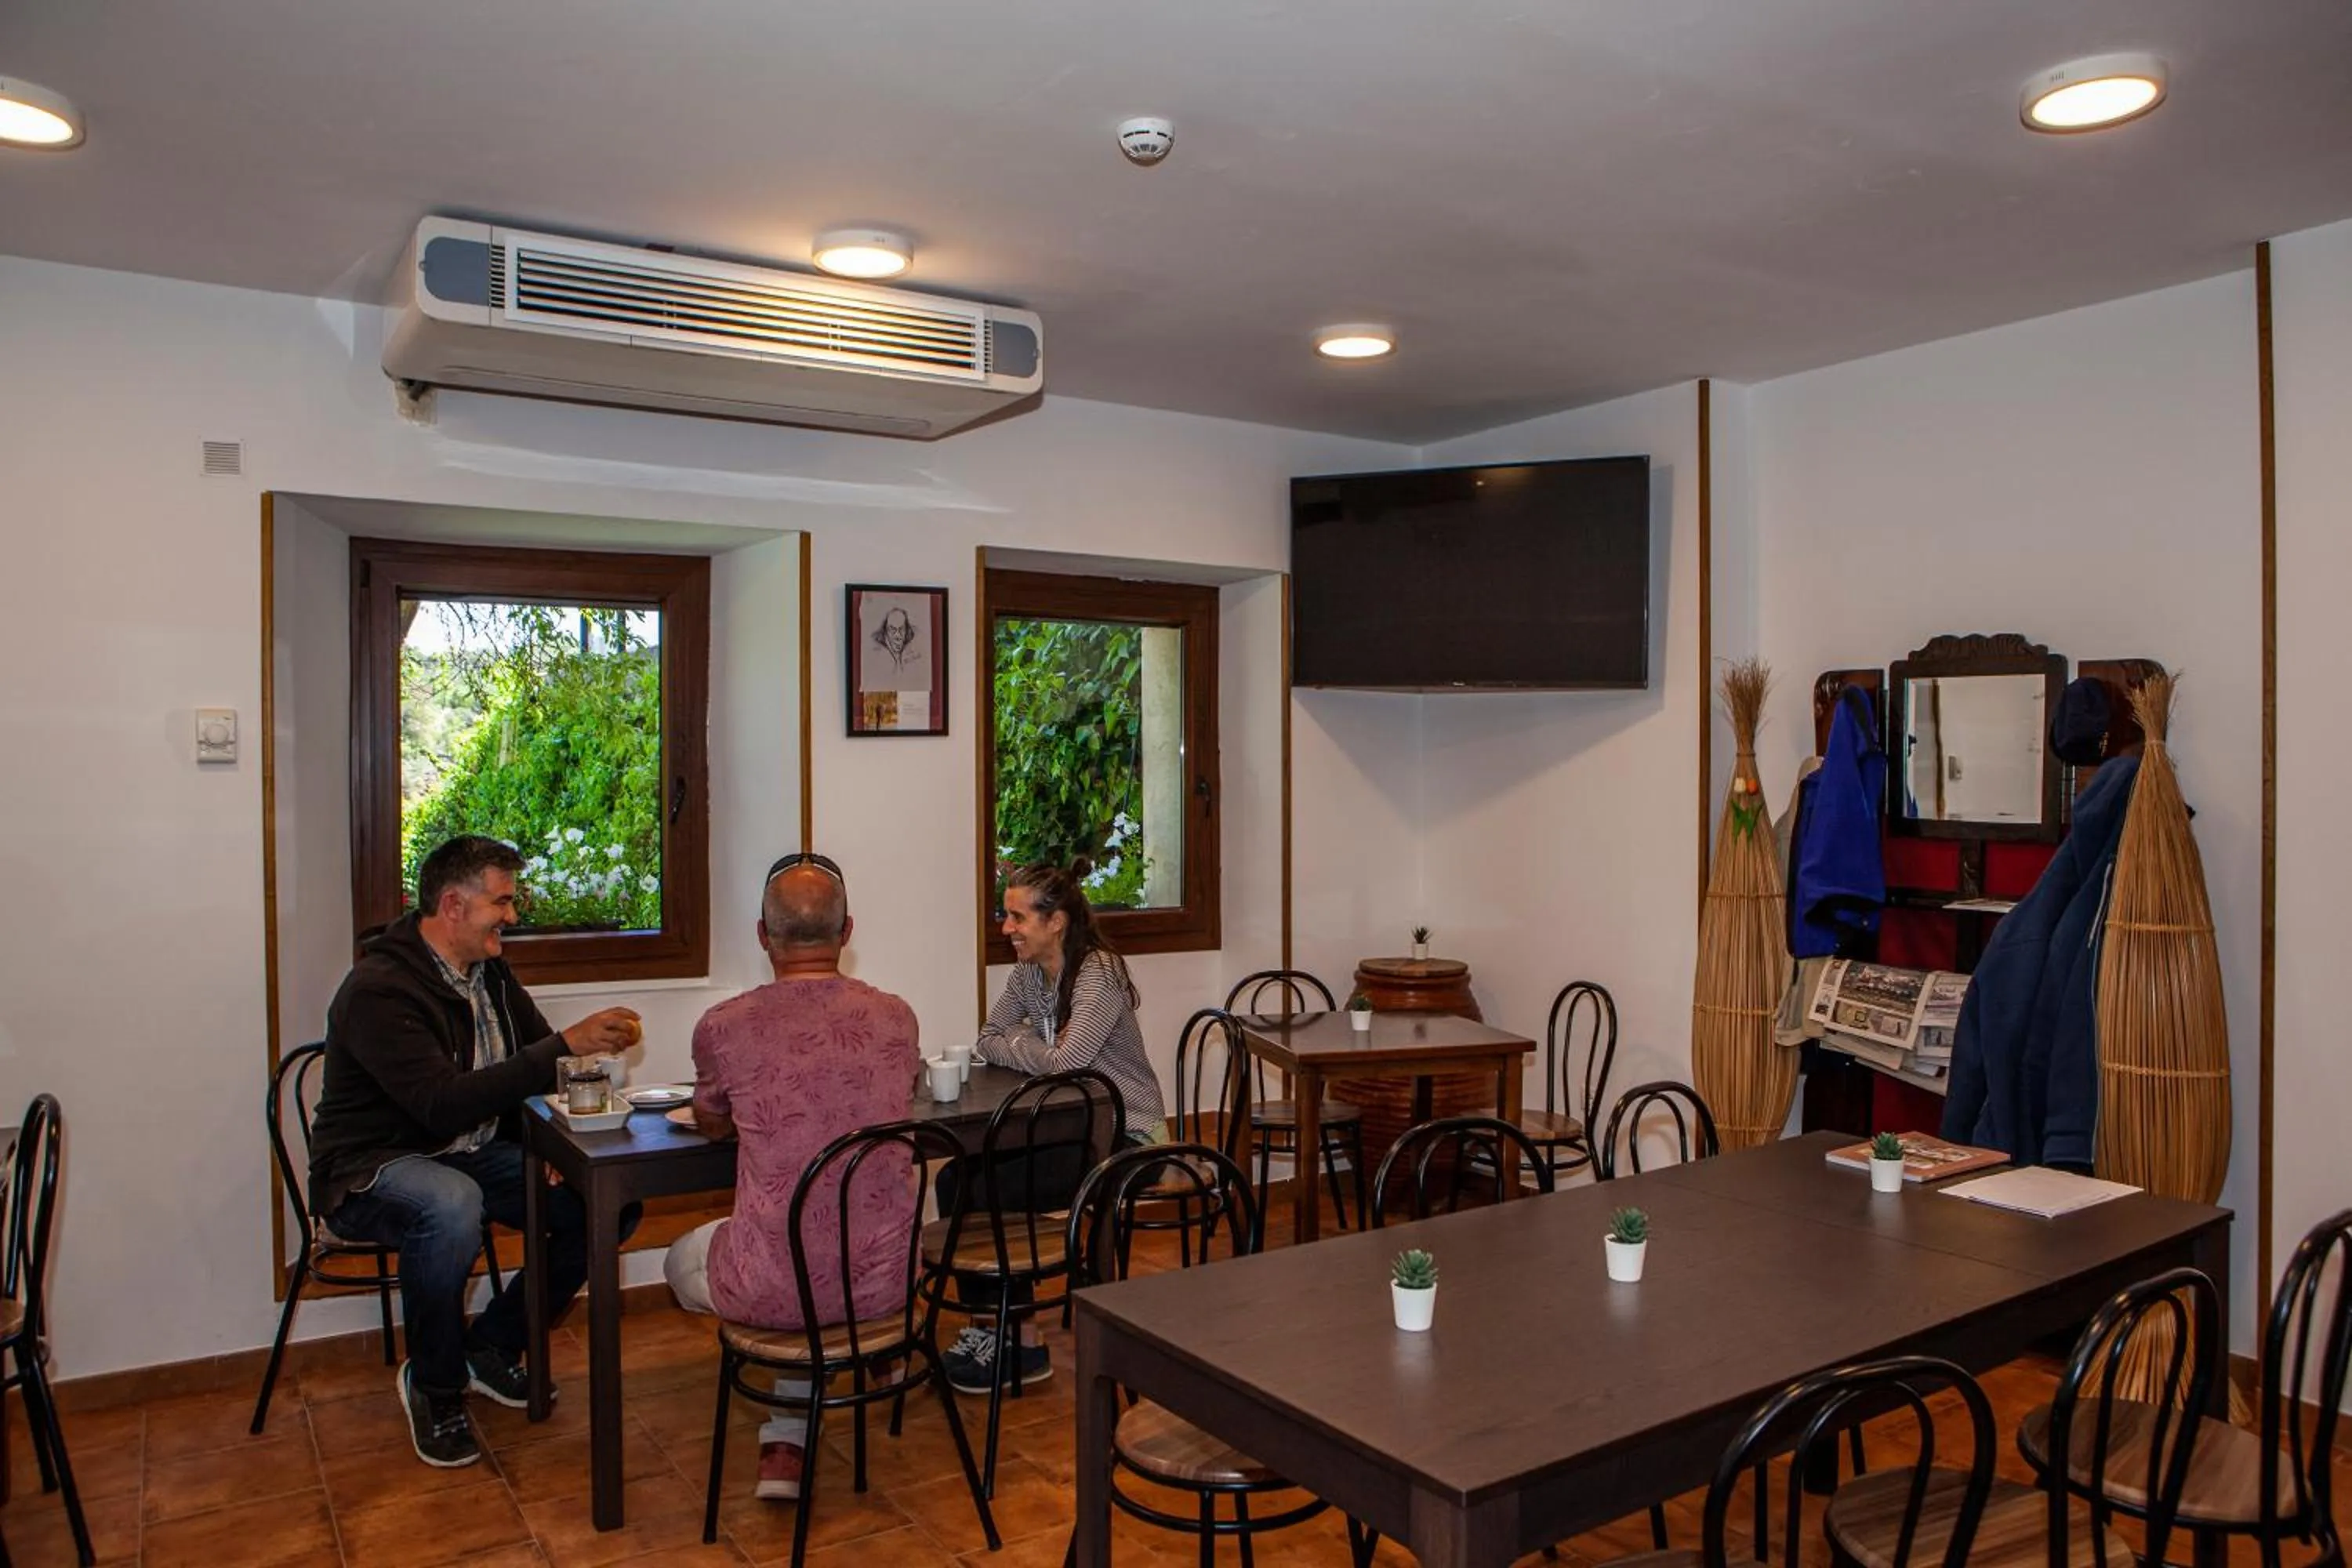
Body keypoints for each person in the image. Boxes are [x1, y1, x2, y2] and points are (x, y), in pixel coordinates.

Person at [309, 835, 644, 1469]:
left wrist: (545, 1140)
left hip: (468, 1152)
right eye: (502, 902)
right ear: (454, 905)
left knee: (604, 1201)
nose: (512, 917)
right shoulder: (379, 989)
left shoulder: (488, 973)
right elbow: (440, 1105)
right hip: (370, 1168)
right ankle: (435, 1387)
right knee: (450, 1205)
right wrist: (564, 1045)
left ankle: (489, 1348)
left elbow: (536, 1069)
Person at [663, 852, 920, 1503]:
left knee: (682, 1260)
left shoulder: (725, 1027)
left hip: (775, 1292)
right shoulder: (896, 1016)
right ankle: (854, 1369)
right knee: (836, 1230)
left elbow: (714, 1120)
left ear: (762, 935)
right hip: (889, 1287)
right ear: (847, 931)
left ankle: (786, 1438)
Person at [944, 862, 1165, 1392]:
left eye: (1017, 916)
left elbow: (1072, 1065)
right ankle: (993, 1326)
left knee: (992, 1187)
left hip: (1128, 1135)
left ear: (1057, 921)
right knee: (955, 1178)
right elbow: (989, 1035)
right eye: (1006, 915)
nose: (1006, 927)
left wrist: (1024, 1047)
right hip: (1062, 1127)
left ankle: (1021, 1338)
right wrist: (1032, 1047)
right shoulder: (1028, 973)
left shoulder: (1099, 973)